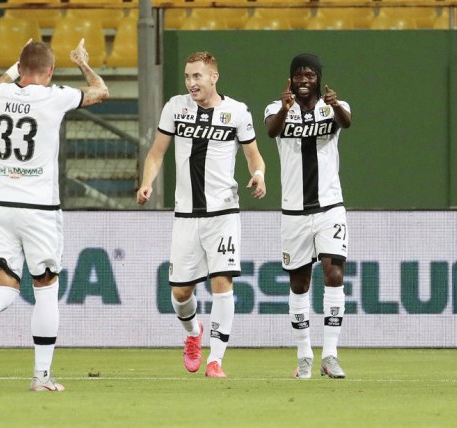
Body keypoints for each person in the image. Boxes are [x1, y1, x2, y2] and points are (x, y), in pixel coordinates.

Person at [0, 38, 109, 392]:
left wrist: (12, 69)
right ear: (50, 71)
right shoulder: (55, 96)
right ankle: (41, 376)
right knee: (45, 288)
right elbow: (101, 91)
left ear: (20, 68)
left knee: (5, 287)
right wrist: (83, 64)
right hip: (39, 209)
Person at [137, 51, 266, 378]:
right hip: (186, 215)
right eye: (187, 76)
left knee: (222, 281)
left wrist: (259, 175)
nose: (191, 83)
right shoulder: (175, 108)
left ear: (213, 77)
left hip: (223, 212)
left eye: (197, 76)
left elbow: (254, 156)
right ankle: (193, 333)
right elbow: (156, 153)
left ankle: (215, 360)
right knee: (181, 293)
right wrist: (147, 182)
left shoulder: (237, 112)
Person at [264, 53, 352, 379]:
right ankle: (304, 356)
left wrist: (336, 104)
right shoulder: (276, 108)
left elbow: (346, 122)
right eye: (299, 75)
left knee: (334, 274)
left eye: (310, 75)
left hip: (330, 207)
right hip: (294, 212)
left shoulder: (334, 109)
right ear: (291, 79)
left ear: (318, 79)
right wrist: (285, 108)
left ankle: (330, 355)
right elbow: (272, 131)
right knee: (299, 284)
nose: (304, 80)